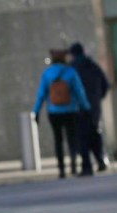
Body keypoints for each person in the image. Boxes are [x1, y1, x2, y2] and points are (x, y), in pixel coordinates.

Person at [33, 49, 91, 178]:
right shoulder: (70, 72)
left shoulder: (47, 73)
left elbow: (41, 94)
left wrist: (36, 111)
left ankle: (61, 169)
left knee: (58, 140)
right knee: (72, 139)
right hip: (71, 111)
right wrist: (86, 107)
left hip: (54, 112)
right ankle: (74, 164)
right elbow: (79, 92)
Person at [69, 42, 110, 176]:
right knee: (94, 133)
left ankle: (86, 166)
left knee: (82, 137)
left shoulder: (72, 68)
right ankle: (100, 161)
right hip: (94, 106)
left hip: (78, 107)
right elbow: (106, 85)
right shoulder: (93, 66)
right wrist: (97, 98)